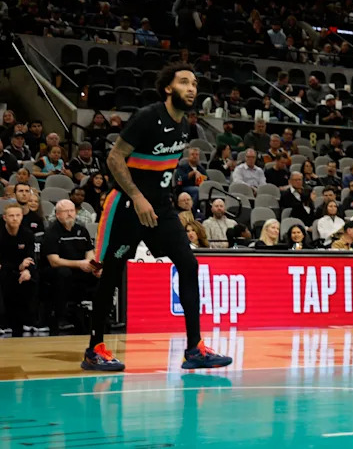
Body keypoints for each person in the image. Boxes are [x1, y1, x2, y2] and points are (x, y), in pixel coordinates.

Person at [84, 63, 231, 371]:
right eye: (184, 82)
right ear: (168, 88)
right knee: (111, 273)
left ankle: (194, 349)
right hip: (126, 205)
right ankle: (94, 349)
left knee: (189, 265)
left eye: (194, 83)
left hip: (160, 209)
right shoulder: (148, 117)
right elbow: (114, 158)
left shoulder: (184, 126)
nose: (192, 88)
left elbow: (162, 169)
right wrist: (137, 196)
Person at [42, 199, 100, 334]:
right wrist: (80, 264)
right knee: (64, 273)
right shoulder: (52, 232)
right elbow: (54, 261)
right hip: (55, 270)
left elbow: (90, 255)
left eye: (72, 211)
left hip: (80, 268)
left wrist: (96, 267)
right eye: (65, 211)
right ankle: (61, 317)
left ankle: (102, 316)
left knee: (103, 273)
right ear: (57, 215)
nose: (69, 214)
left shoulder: (82, 230)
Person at [0, 201, 38, 337]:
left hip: (20, 270)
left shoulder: (27, 234)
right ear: (5, 217)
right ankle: (2, 323)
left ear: (22, 216)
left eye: (17, 215)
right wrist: (18, 266)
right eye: (11, 216)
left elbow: (30, 257)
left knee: (31, 277)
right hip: (4, 270)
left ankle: (28, 321)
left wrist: (27, 270)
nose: (15, 218)